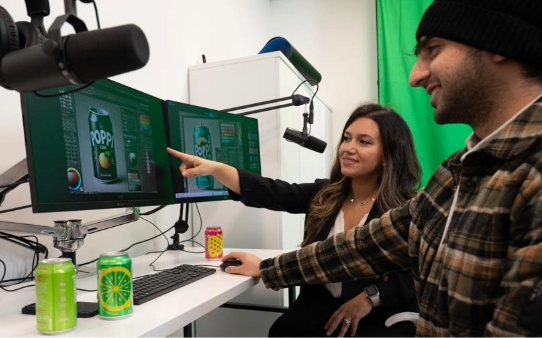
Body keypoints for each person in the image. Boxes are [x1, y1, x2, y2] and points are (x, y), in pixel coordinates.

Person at [220, 0, 542, 336]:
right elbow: (364, 246)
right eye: (347, 138)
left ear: (499, 41)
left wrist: (371, 297)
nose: (416, 75)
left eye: (433, 49)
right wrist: (268, 269)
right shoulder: (459, 171)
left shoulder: (530, 176)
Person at [168, 103, 422, 337]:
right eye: (347, 138)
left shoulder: (406, 210)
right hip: (319, 304)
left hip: (375, 311)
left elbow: (417, 276)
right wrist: (215, 169)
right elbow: (273, 191)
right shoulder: (325, 194)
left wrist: (370, 297)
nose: (348, 148)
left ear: (389, 155)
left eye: (364, 142)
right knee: (283, 330)